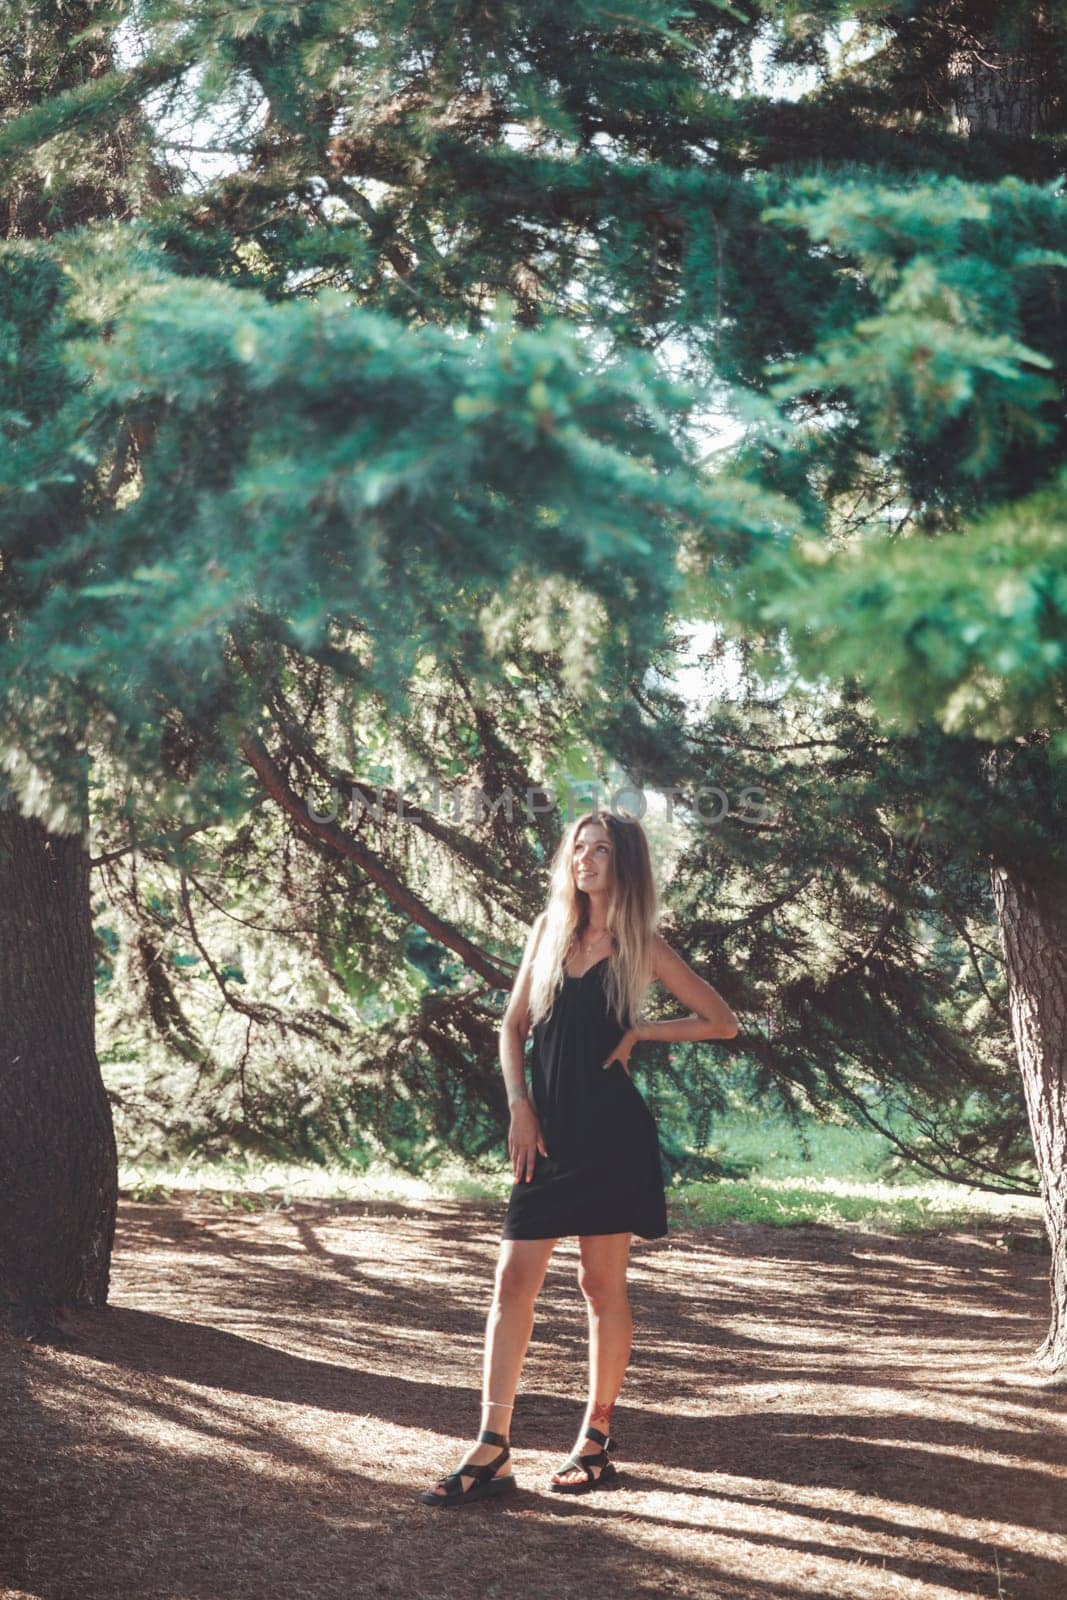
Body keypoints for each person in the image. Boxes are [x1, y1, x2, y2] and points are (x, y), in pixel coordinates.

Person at [420, 808, 739, 1508]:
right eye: (577, 849)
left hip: (611, 1135)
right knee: (512, 1281)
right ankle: (492, 1447)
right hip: (546, 1132)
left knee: (600, 1287)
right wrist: (518, 1106)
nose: (584, 860)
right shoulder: (547, 932)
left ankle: (594, 1440)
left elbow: (720, 1020)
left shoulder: (638, 945)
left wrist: (639, 1032)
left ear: (622, 864)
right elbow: (511, 1028)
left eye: (598, 850)